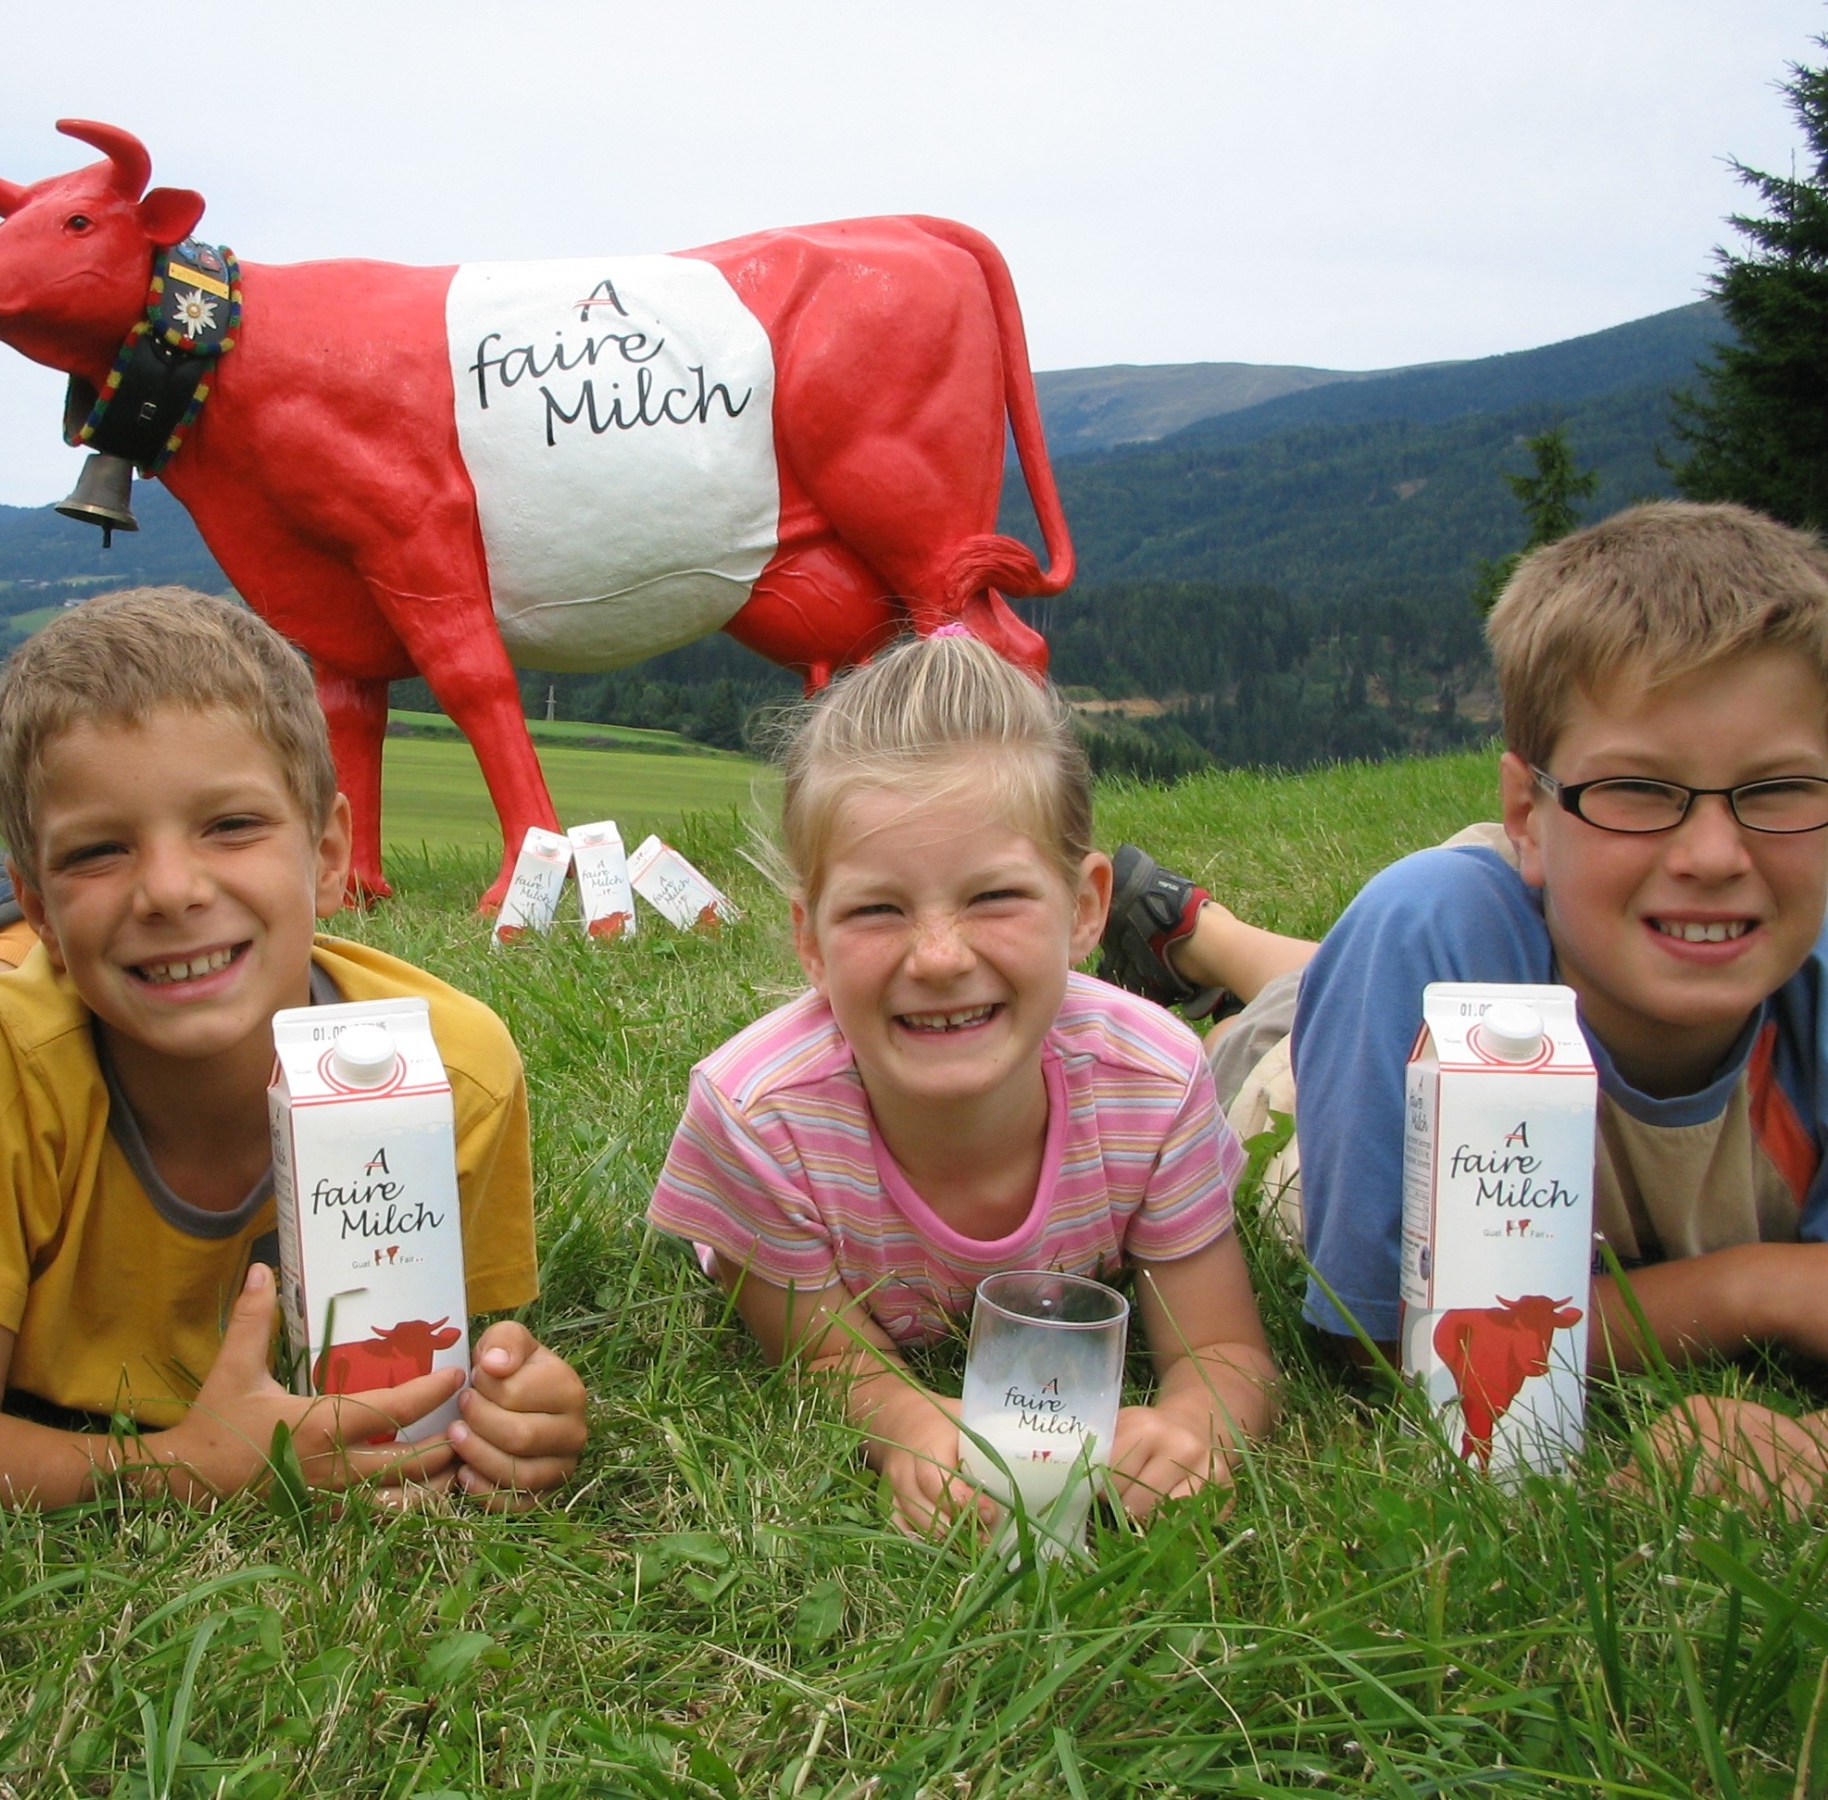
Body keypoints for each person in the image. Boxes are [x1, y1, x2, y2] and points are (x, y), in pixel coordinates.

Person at [1106, 501, 1828, 1501]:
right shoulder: (1429, 935)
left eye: (1781, 789)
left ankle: (1199, 935)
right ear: (1528, 813)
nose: (1713, 855)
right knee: (1271, 1033)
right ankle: (1206, 945)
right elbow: (1387, 1341)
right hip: (1302, 1095)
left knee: (1347, 969)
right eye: (1637, 789)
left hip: (1495, 947)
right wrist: (1756, 1290)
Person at [0, 587, 588, 1509]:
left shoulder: (453, 1074)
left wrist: (510, 1406)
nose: (169, 890)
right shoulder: (2, 1064)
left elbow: (454, 1359)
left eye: (232, 826)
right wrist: (188, 1468)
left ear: (329, 856)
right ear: (39, 908)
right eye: (97, 852)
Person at [646, 629, 1279, 1537]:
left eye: (994, 898)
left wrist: (1198, 1426)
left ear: (1087, 908)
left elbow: (1223, 1349)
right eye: (876, 908)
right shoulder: (757, 1122)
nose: (939, 958)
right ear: (811, 941)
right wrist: (907, 1425)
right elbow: (829, 1360)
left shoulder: (1153, 1082)